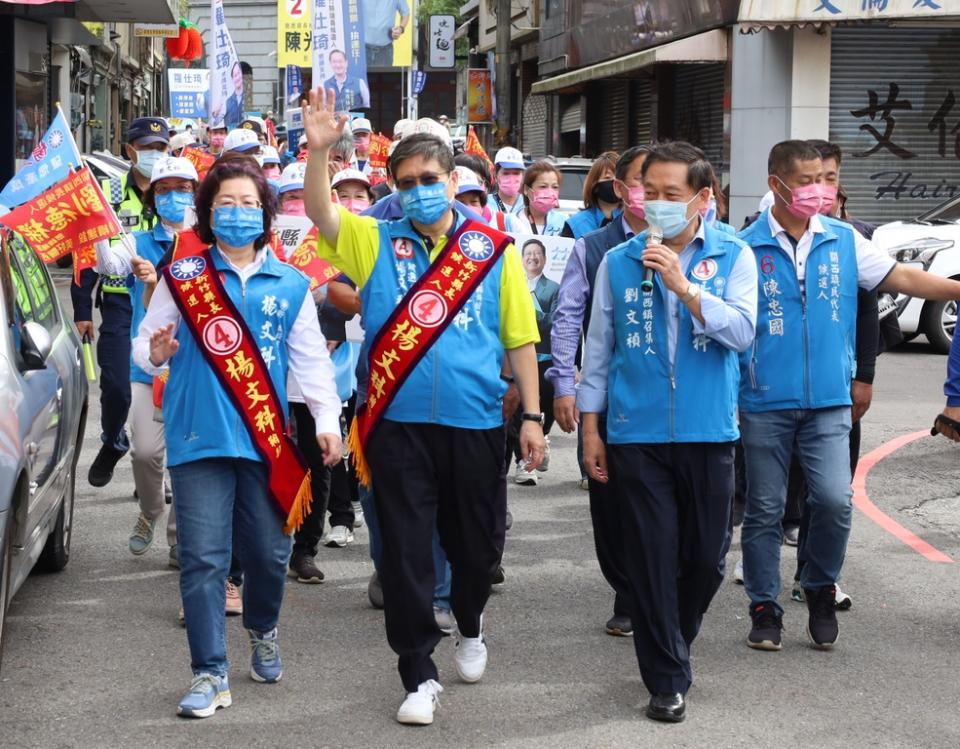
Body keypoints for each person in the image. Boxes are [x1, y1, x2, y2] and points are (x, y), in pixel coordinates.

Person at [303, 87, 544, 726]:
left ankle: (469, 622)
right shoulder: (375, 242)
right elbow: (321, 215)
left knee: (477, 551)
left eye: (429, 178)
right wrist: (319, 152)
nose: (419, 190)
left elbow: (520, 338)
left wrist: (532, 416)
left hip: (473, 422)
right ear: (394, 188)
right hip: (396, 426)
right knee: (405, 554)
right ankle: (417, 670)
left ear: (452, 177)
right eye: (406, 182)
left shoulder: (492, 250)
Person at [133, 156, 343, 718]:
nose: (237, 213)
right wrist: (154, 355)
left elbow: (309, 363)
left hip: (266, 439)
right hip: (198, 433)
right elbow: (146, 341)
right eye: (225, 203)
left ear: (266, 213)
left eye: (249, 203)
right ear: (207, 213)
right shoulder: (184, 278)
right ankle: (209, 672)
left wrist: (326, 422)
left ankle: (263, 628)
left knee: (269, 554)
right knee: (204, 558)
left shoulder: (291, 284)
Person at [737, 139, 960, 653]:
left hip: (829, 402)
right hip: (764, 400)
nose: (822, 190)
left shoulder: (843, 240)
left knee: (835, 501)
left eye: (829, 179)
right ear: (777, 185)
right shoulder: (744, 246)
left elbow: (900, 276)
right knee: (766, 508)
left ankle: (818, 586)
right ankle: (764, 604)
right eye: (809, 180)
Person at [579, 140, 759, 723]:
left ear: (703, 198)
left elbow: (742, 332)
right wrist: (590, 428)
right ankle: (665, 677)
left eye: (670, 195)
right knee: (651, 557)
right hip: (637, 433)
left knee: (705, 561)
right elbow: (599, 351)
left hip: (710, 432)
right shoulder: (619, 261)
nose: (654, 204)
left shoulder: (736, 255)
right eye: (647, 192)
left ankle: (672, 640)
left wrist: (685, 286)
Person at [546, 144, 650, 636]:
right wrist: (563, 383)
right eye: (640, 184)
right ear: (620, 188)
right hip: (609, 394)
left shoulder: (702, 246)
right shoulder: (593, 246)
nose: (650, 195)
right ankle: (627, 590)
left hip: (674, 398)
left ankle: (659, 584)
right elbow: (567, 317)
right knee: (610, 499)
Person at [94, 157, 198, 568]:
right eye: (165, 189)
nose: (175, 197)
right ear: (153, 197)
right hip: (148, 365)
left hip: (197, 367)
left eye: (183, 188)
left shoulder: (210, 242)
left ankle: (179, 538)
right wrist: (100, 222)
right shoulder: (139, 242)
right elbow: (109, 265)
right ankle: (151, 510)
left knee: (188, 457)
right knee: (146, 454)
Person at [74, 117, 169, 487]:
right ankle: (114, 441)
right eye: (147, 148)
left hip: (165, 304)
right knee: (116, 385)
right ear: (130, 151)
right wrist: (82, 307)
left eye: (161, 148)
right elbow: (87, 250)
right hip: (119, 304)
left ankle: (153, 472)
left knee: (162, 386)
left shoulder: (174, 193)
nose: (155, 155)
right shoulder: (108, 193)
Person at [510, 238, 559, 486]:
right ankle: (525, 462)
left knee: (547, 407)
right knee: (519, 409)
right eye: (528, 253)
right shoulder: (513, 283)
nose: (532, 257)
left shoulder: (553, 287)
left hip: (545, 356)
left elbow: (555, 321)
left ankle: (542, 438)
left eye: (537, 254)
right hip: (517, 356)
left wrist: (531, 311)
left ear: (544, 259)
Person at [561, 151, 620, 239]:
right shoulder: (575, 225)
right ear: (594, 186)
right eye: (607, 177)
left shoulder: (635, 220)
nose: (614, 182)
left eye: (618, 177)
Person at [514, 160, 567, 236]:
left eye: (555, 187)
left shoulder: (563, 222)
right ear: (526, 189)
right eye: (543, 186)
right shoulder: (513, 221)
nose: (550, 192)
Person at [364, 0, 410, 68]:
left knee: (384, 78)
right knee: (359, 78)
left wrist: (400, 29)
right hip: (362, 51)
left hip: (385, 52)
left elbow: (406, 13)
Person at [491, 147, 526, 218]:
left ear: (522, 176)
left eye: (516, 173)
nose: (511, 178)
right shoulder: (485, 204)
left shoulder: (529, 205)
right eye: (506, 173)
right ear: (495, 175)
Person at [224, 62, 245, 130]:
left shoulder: (248, 99)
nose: (237, 77)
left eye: (239, 73)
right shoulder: (228, 101)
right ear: (232, 79)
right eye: (235, 75)